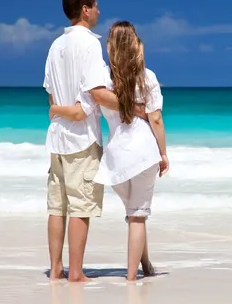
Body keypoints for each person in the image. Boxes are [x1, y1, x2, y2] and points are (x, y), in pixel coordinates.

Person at [50, 21, 169, 281]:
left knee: (134, 212)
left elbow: (94, 100)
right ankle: (130, 278)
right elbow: (156, 119)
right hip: (143, 153)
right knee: (138, 216)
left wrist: (57, 108)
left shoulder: (103, 79)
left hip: (116, 158)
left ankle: (146, 264)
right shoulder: (147, 77)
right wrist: (163, 153)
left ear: (111, 48)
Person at [44, 0, 142, 282]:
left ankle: (57, 269)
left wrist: (63, 111)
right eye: (96, 5)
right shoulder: (88, 45)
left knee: (56, 206)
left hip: (57, 138)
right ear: (85, 10)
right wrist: (134, 107)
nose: (99, 10)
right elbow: (96, 94)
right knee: (80, 207)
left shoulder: (55, 45)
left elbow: (51, 99)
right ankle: (75, 272)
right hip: (82, 139)